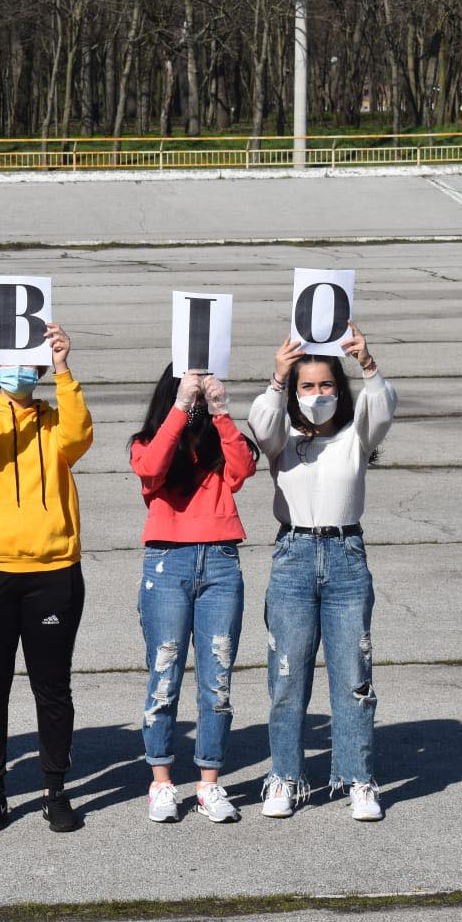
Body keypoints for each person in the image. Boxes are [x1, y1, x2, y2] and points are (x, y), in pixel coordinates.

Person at [0, 319, 93, 834]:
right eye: (11, 362)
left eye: (30, 363)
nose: (20, 371)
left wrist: (63, 366)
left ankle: (55, 788)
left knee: (53, 689)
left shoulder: (55, 420)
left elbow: (80, 438)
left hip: (53, 572)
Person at [247, 322, 396, 822]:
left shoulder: (356, 435)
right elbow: (261, 422)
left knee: (353, 674)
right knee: (287, 674)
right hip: (293, 555)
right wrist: (277, 377)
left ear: (340, 389)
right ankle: (285, 776)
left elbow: (383, 406)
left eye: (326, 384)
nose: (317, 394)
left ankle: (358, 778)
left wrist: (366, 363)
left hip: (345, 555)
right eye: (307, 386)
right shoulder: (283, 438)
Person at [129, 366, 257, 824]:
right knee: (164, 675)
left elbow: (243, 470)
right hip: (167, 562)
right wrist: (181, 408)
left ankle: (209, 782)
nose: (198, 400)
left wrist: (221, 412)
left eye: (203, 393)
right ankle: (161, 781)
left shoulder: (221, 439)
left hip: (220, 561)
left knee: (217, 680)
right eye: (191, 392)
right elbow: (151, 469)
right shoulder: (147, 440)